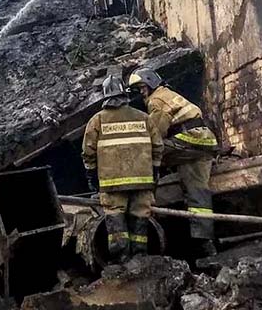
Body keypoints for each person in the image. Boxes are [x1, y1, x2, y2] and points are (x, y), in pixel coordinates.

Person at [127, 67, 219, 256]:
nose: (141, 92)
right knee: (197, 191)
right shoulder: (168, 94)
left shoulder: (157, 100)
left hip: (189, 140)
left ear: (151, 82)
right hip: (204, 143)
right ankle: (204, 243)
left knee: (149, 153)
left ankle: (144, 199)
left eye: (142, 87)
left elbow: (155, 135)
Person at [82, 76, 163, 263]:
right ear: (124, 94)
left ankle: (122, 259)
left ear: (105, 97)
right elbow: (158, 146)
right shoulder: (144, 118)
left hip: (112, 184)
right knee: (140, 216)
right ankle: (141, 258)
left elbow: (88, 152)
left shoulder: (97, 121)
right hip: (142, 181)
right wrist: (155, 171)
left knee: (115, 217)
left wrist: (92, 175)